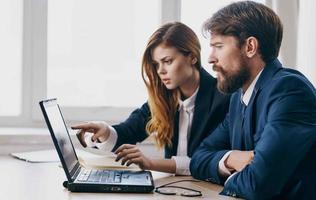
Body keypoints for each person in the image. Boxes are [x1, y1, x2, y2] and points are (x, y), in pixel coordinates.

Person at [190, 1, 316, 199]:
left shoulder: (290, 92)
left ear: (250, 47)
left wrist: (232, 178)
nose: (210, 58)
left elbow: (257, 184)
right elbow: (197, 158)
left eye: (218, 47)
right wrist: (230, 158)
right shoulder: (238, 98)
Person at [72, 22, 230, 175]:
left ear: (193, 57)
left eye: (167, 61)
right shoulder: (164, 98)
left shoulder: (224, 99)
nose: (160, 71)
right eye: (156, 64)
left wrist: (150, 162)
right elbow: (129, 131)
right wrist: (105, 131)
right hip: (175, 189)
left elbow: (206, 161)